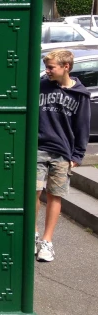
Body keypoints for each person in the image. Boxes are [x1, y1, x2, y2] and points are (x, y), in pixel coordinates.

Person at [36, 49, 91, 262]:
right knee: (34, 192)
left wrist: (77, 155)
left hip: (62, 152)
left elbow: (82, 126)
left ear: (65, 67)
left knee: (54, 195)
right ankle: (34, 234)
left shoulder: (80, 94)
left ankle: (47, 242)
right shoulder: (40, 86)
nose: (47, 71)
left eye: (51, 67)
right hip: (38, 149)